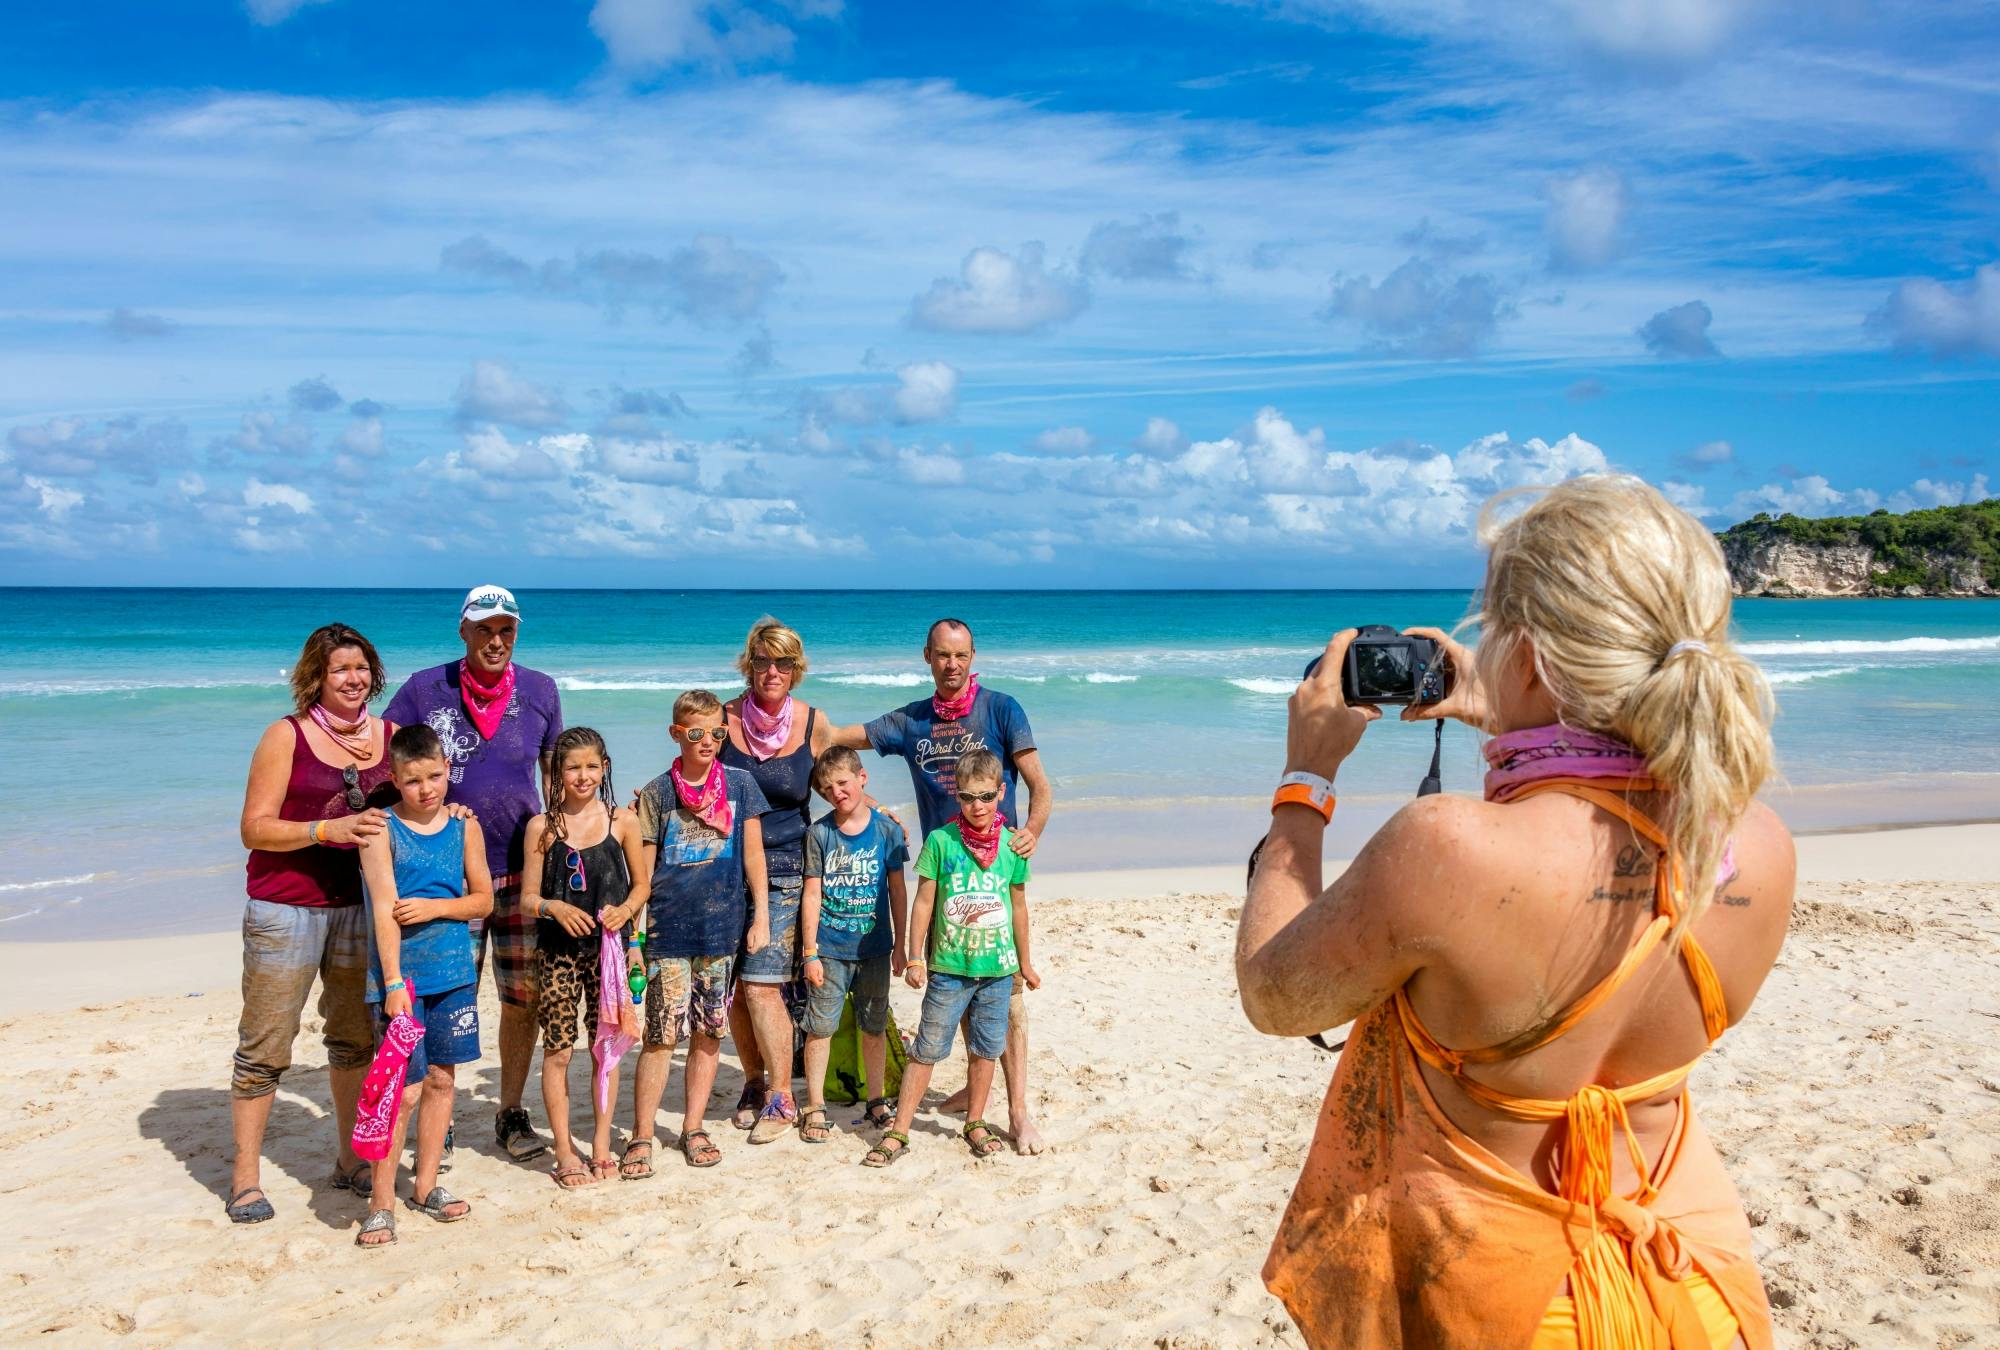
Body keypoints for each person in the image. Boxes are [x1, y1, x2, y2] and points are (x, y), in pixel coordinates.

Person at [1239, 475, 1791, 1348]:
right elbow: (1610, 823)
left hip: (1508, 1303)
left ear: (1528, 654)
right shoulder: (1757, 844)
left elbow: (1276, 995)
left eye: (1495, 632)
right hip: (1693, 1280)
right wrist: (1513, 715)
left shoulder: (1451, 846)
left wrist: (1303, 783)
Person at [828, 617, 1054, 1155]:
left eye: (962, 655)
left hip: (997, 872)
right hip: (942, 872)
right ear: (927, 657)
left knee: (1008, 999)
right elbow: (834, 738)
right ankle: (967, 1093)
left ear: (973, 657)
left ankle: (1017, 1110)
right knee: (951, 987)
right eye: (942, 655)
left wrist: (1032, 832)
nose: (952, 665)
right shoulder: (911, 721)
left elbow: (1040, 784)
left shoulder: (1002, 709)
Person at [384, 584, 563, 1163]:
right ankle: (441, 1120)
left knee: (522, 998)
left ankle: (510, 1108)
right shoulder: (423, 688)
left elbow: (557, 776)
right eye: (484, 629)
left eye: (506, 629)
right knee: (438, 996)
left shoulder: (540, 690)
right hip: (444, 879)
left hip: (519, 871)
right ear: (462, 631)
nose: (496, 639)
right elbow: (389, 762)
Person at [229, 623, 398, 1225]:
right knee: (267, 1043)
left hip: (360, 909)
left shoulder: (390, 737)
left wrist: (451, 809)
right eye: (339, 671)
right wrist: (324, 831)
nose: (353, 680)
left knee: (353, 1037)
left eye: (360, 669)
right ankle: (245, 1178)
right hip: (285, 907)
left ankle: (351, 1160)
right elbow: (254, 828)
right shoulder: (286, 735)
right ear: (316, 678)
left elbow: (419, 803)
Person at [353, 725, 495, 1248]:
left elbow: (483, 901)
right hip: (402, 979)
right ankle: (381, 1202)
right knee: (401, 1090)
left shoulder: (465, 828)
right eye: (413, 781)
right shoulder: (380, 830)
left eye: (435, 776)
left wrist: (438, 907)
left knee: (441, 1081)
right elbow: (384, 913)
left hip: (455, 973)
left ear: (448, 770)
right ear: (394, 779)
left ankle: (427, 1185)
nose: (427, 789)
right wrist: (392, 982)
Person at [861, 750, 1038, 1167]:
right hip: (949, 971)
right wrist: (916, 956)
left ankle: (975, 1120)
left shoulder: (1013, 847)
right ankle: (900, 1129)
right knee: (926, 1049)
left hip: (997, 971)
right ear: (956, 797)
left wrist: (1025, 963)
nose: (977, 806)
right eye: (967, 798)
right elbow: (923, 902)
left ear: (1001, 793)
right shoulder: (941, 841)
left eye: (985, 797)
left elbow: (1018, 907)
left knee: (985, 1050)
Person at [624, 690, 772, 1175]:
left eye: (716, 732)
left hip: (721, 929)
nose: (707, 741)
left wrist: (762, 916)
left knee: (709, 1034)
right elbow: (641, 878)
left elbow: (753, 857)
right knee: (661, 1037)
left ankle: (692, 1127)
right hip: (668, 932)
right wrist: (634, 939)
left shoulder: (740, 784)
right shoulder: (656, 794)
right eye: (695, 733)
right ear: (676, 734)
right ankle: (643, 1135)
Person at [718, 618, 836, 1144]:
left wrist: (876, 814)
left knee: (765, 987)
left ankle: (783, 1096)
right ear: (749, 664)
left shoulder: (814, 724)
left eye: (783, 662)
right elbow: (694, 781)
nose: (772, 671)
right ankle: (753, 1082)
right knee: (738, 991)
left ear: (796, 670)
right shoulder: (721, 720)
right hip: (724, 871)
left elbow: (835, 784)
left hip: (789, 871)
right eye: (763, 660)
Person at [522, 727, 648, 1188]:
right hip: (556, 953)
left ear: (605, 767)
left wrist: (628, 913)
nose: (582, 776)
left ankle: (598, 1141)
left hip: (609, 954)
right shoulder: (543, 827)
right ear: (556, 773)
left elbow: (642, 885)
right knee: (558, 1050)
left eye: (590, 766)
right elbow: (527, 899)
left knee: (606, 1049)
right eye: (571, 767)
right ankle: (563, 1148)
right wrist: (553, 907)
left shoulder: (622, 822)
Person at [797, 746, 909, 1144]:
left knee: (873, 1028)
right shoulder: (820, 833)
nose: (836, 793)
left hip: (876, 949)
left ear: (862, 778)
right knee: (820, 1029)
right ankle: (815, 1105)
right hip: (829, 949)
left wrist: (901, 946)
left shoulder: (887, 831)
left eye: (843, 783)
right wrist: (809, 951)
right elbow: (811, 894)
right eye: (827, 789)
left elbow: (897, 889)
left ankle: (876, 1099)